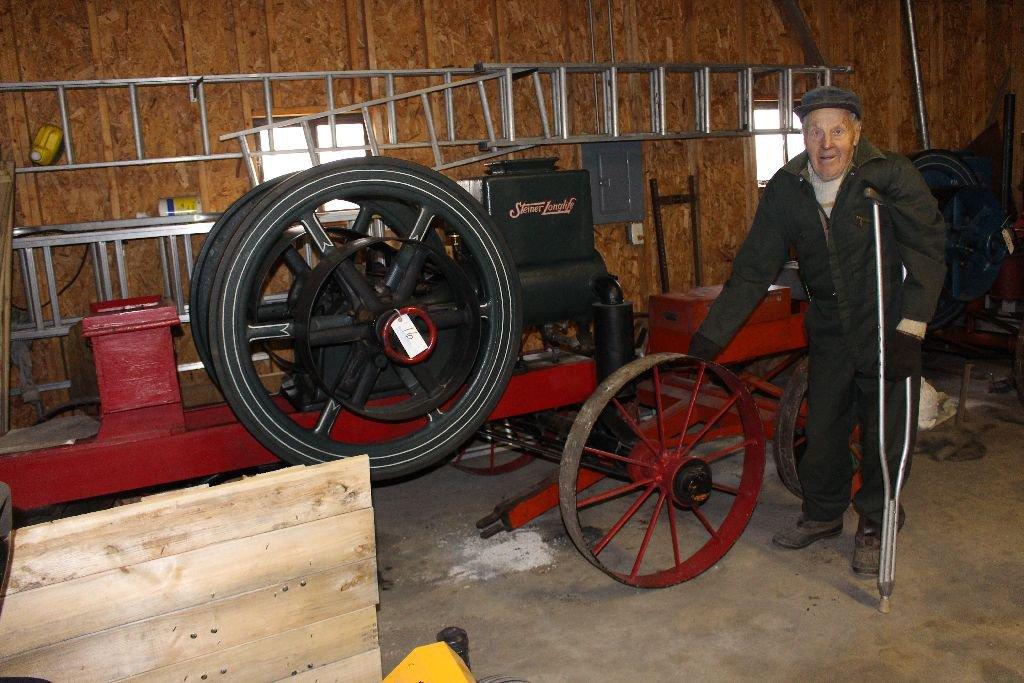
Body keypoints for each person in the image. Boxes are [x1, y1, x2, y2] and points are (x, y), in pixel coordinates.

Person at [687, 85, 946, 575]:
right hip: (828, 324)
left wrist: (912, 328)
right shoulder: (787, 188)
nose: (826, 143)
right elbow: (753, 268)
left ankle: (875, 518)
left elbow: (929, 250)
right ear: (802, 134)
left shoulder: (888, 176)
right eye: (814, 130)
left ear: (856, 132)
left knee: (884, 429)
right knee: (823, 425)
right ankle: (823, 513)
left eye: (837, 130)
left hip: (885, 318)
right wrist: (710, 337)